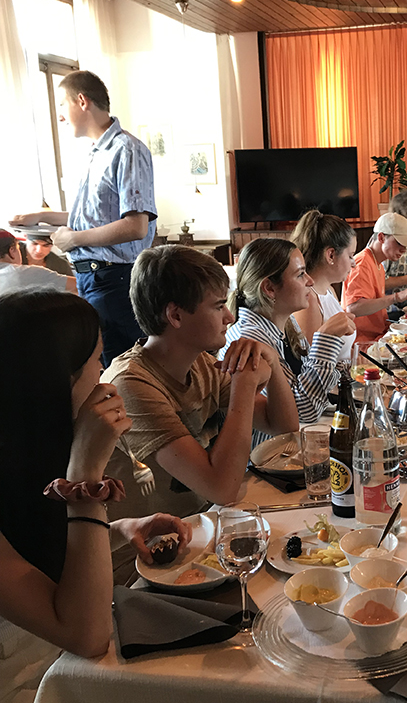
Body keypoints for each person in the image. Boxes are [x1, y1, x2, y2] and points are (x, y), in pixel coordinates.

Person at [0, 289, 189, 703]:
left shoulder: (26, 450)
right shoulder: (65, 461)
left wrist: (122, 526)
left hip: (69, 679)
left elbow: (36, 551)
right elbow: (85, 634)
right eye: (96, 363)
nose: (107, 381)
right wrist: (84, 477)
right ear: (50, 382)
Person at [103, 245, 297, 519]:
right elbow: (222, 489)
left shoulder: (200, 363)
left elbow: (283, 427)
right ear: (176, 316)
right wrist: (244, 384)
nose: (230, 317)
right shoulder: (131, 385)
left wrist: (272, 361)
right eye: (218, 306)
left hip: (199, 523)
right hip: (151, 541)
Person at [10, 71, 157, 366]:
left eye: (62, 105)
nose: (60, 116)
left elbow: (135, 226)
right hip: (93, 277)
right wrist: (42, 216)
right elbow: (96, 218)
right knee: (106, 367)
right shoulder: (94, 153)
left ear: (82, 101)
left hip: (114, 279)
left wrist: (74, 239)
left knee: (125, 370)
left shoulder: (126, 149)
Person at [220, 238, 355, 447]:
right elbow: (303, 411)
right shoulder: (249, 340)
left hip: (292, 446)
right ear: (269, 288)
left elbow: (310, 383)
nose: (310, 281)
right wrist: (325, 339)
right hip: (267, 457)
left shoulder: (285, 323)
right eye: (300, 274)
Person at [342, 212, 407, 340]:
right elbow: (354, 308)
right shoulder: (362, 263)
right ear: (381, 238)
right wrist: (396, 297)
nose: (404, 250)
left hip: (378, 334)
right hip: (363, 341)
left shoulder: (378, 263)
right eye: (399, 243)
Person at [290, 209, 357, 362]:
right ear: (331, 255)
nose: (353, 264)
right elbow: (312, 365)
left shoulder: (329, 290)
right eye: (350, 256)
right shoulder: (308, 302)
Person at [0, 229, 75, 294]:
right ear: (12, 250)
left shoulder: (61, 264)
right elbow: (77, 286)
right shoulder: (24, 273)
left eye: (45, 245)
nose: (39, 250)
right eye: (35, 243)